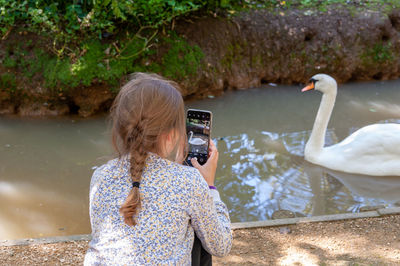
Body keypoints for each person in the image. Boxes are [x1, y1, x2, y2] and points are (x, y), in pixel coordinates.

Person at [84, 73, 232, 265]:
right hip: (190, 182)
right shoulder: (188, 182)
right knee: (198, 231)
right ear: (171, 135)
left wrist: (178, 169)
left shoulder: (100, 176)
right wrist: (209, 186)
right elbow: (221, 246)